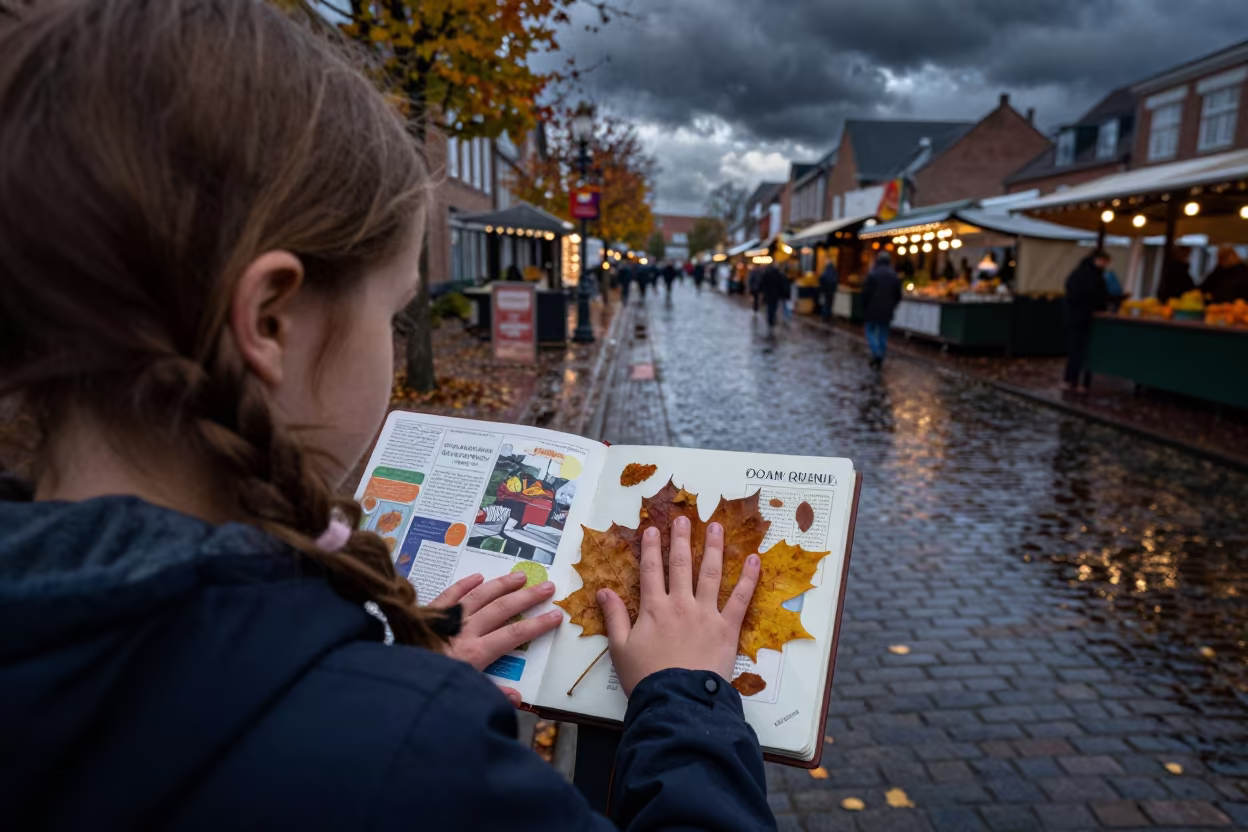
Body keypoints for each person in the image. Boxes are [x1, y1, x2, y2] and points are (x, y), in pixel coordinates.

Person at [0, 2, 774, 830]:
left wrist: (385, 663)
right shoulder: (410, 759)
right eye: (393, 314)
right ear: (270, 321)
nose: (397, 353)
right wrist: (687, 698)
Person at [1063, 249, 1112, 393]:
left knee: (1075, 349)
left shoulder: (1078, 273)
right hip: (1086, 317)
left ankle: (1070, 379)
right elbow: (1099, 296)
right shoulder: (1095, 277)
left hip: (1074, 317)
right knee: (1085, 350)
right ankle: (1082, 382)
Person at [860, 252, 903, 369]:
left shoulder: (872, 274)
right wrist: (892, 306)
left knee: (870, 331)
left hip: (872, 310)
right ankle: (880, 354)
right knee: (883, 334)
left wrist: (864, 307)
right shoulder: (894, 276)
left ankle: (876, 353)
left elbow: (865, 294)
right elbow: (898, 295)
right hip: (887, 310)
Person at [759, 263, 787, 332]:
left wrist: (762, 291)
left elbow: (762, 283)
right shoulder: (779, 275)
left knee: (769, 306)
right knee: (774, 306)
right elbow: (782, 284)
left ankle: (770, 318)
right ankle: (772, 318)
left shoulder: (766, 274)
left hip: (768, 293)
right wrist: (783, 293)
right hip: (776, 294)